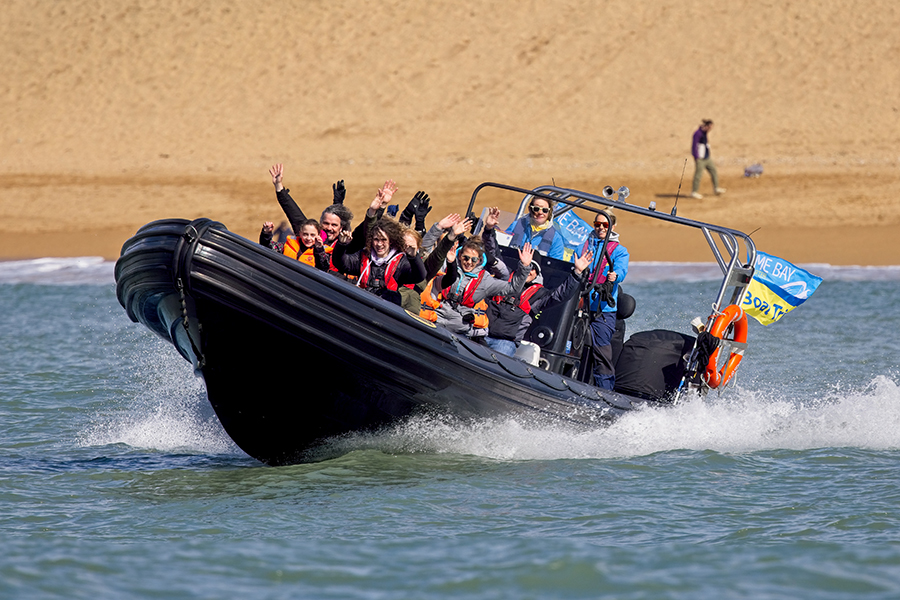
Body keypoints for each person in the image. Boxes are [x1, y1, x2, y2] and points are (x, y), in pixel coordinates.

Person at [484, 205, 594, 355]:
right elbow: (493, 254)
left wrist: (577, 272)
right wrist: (489, 230)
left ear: (537, 273)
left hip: (505, 342)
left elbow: (561, 295)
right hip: (481, 332)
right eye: (527, 267)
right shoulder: (505, 277)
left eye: (533, 268)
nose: (529, 271)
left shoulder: (539, 296)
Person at [332, 181, 426, 306]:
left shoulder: (400, 262)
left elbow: (419, 276)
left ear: (391, 241)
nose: (379, 244)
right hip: (363, 304)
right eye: (376, 240)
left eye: (383, 240)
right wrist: (341, 245)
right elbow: (341, 264)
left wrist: (413, 258)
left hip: (386, 309)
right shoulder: (363, 257)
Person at [423, 238, 533, 339]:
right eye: (465, 257)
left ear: (479, 260)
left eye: (474, 259)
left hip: (460, 325)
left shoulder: (485, 280)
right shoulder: (448, 265)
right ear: (460, 255)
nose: (469, 262)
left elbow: (512, 288)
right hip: (437, 315)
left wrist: (524, 267)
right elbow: (428, 259)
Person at [263, 164, 355, 269]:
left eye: (334, 225)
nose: (329, 228)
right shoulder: (309, 235)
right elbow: (292, 211)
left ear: (341, 228)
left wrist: (338, 205)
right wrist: (278, 186)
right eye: (325, 224)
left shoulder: (346, 244)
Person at [582, 211, 629, 390]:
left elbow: (621, 271)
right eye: (597, 224)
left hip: (603, 310)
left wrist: (614, 275)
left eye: (605, 225)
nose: (601, 228)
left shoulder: (620, 251)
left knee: (601, 352)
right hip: (580, 304)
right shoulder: (585, 245)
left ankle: (605, 390)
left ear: (612, 227)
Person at [260, 218, 330, 271]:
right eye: (305, 234)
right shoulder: (287, 245)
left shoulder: (322, 253)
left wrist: (319, 249)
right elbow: (267, 246)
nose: (308, 238)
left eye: (312, 235)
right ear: (300, 233)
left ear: (318, 235)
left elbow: (323, 268)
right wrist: (266, 233)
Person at [691, 120, 726, 199]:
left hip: (706, 157)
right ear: (706, 126)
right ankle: (694, 192)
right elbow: (694, 146)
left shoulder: (704, 133)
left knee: (713, 171)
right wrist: (696, 157)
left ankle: (716, 188)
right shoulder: (698, 133)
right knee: (698, 175)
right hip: (700, 158)